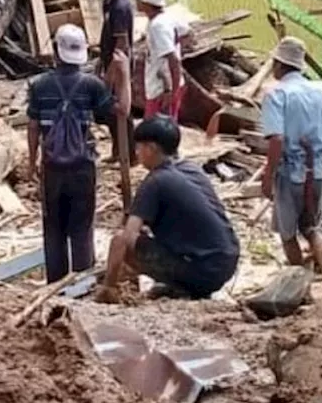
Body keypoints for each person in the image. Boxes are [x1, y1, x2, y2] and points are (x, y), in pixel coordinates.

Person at [98, 116, 241, 302]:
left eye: (139, 147)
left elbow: (126, 237)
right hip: (226, 262)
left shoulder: (155, 181)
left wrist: (110, 278)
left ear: (151, 149)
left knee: (119, 242)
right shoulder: (191, 169)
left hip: (202, 271)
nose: (137, 152)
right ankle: (181, 286)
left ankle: (108, 291)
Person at [26, 24, 115, 283]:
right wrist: (117, 76)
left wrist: (32, 163)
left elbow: (33, 127)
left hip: (52, 166)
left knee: (53, 224)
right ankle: (83, 278)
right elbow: (113, 112)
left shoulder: (38, 86)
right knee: (82, 223)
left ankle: (56, 280)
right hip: (83, 165)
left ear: (56, 51)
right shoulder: (92, 85)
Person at [261, 36, 322, 295]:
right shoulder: (318, 93)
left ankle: (303, 289)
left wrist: (268, 175)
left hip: (291, 172)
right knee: (313, 228)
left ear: (279, 64)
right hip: (318, 169)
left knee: (288, 234)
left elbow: (276, 139)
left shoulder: (276, 94)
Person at [98, 0, 135, 165]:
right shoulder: (108, 3)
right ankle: (118, 150)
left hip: (119, 66)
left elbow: (122, 43)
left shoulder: (121, 6)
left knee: (121, 110)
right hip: (109, 61)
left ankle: (128, 153)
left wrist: (112, 72)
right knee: (111, 111)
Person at [136, 0, 187, 121]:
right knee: (162, 133)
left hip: (162, 90)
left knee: (156, 136)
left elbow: (173, 59)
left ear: (147, 2)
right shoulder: (167, 18)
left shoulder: (157, 26)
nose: (136, 1)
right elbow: (187, 33)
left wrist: (171, 92)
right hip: (162, 87)